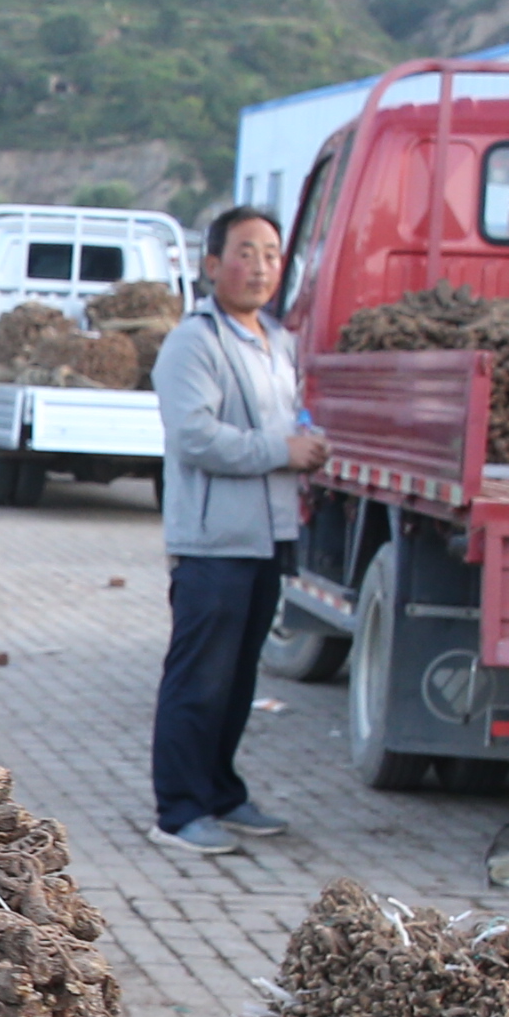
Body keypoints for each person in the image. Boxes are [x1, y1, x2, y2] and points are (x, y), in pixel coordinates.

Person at [150, 203, 328, 855]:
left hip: (266, 539)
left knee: (238, 680)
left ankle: (222, 792)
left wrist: (307, 443)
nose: (260, 266)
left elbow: (287, 426)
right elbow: (196, 437)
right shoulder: (194, 341)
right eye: (246, 251)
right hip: (212, 542)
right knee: (198, 678)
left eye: (272, 254)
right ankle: (178, 810)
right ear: (213, 263)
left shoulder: (276, 342)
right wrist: (283, 450)